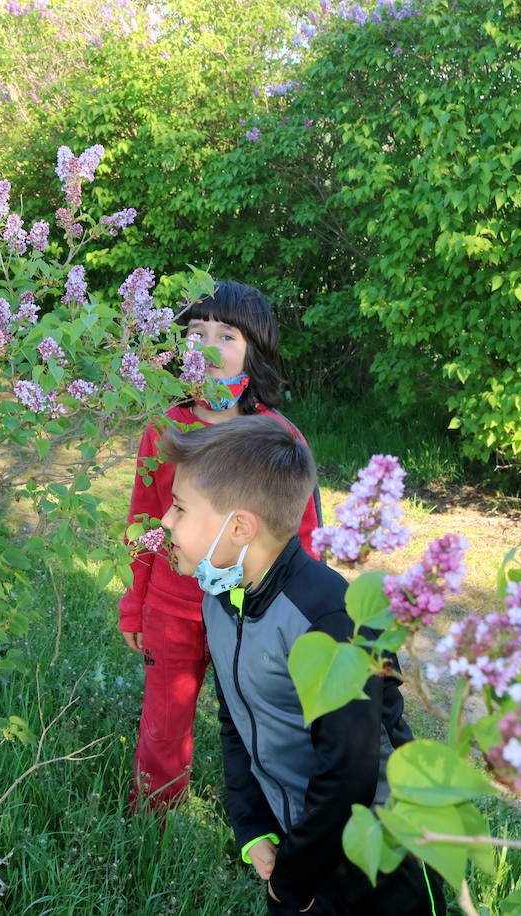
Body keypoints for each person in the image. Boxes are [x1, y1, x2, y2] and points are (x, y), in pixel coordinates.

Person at [158, 415, 446, 915]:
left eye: (180, 507)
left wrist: (292, 881)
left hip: (381, 856)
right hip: (297, 847)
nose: (165, 519)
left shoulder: (332, 620)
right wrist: (252, 828)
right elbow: (236, 722)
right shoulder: (221, 597)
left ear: (240, 526)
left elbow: (350, 773)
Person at [120, 281, 321, 811]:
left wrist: (305, 623)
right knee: (164, 723)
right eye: (195, 333)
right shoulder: (163, 427)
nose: (207, 347)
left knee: (262, 722)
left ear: (253, 349)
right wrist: (135, 604)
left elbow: (302, 538)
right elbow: (143, 520)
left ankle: (271, 826)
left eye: (225, 335)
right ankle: (152, 821)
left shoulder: (278, 437)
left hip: (251, 615)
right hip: (171, 606)